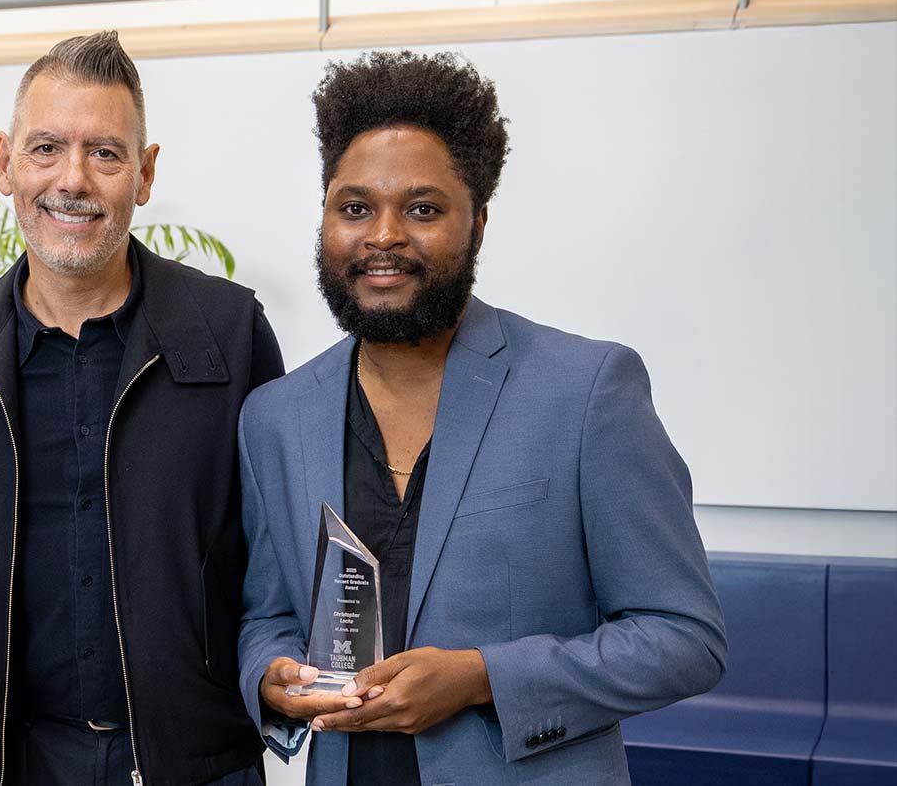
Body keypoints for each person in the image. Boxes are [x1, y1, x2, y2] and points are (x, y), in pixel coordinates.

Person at [237, 50, 727, 785]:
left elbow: (685, 637)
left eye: (423, 208)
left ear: (480, 221)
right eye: (355, 207)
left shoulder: (586, 390)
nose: (384, 236)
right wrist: (269, 675)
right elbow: (268, 614)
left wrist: (479, 676)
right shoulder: (274, 418)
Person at [0, 31, 284, 786]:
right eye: (46, 147)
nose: (73, 179)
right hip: (17, 761)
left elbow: (277, 557)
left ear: (145, 173)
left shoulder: (229, 332)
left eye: (106, 154)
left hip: (197, 765)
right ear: (4, 162)